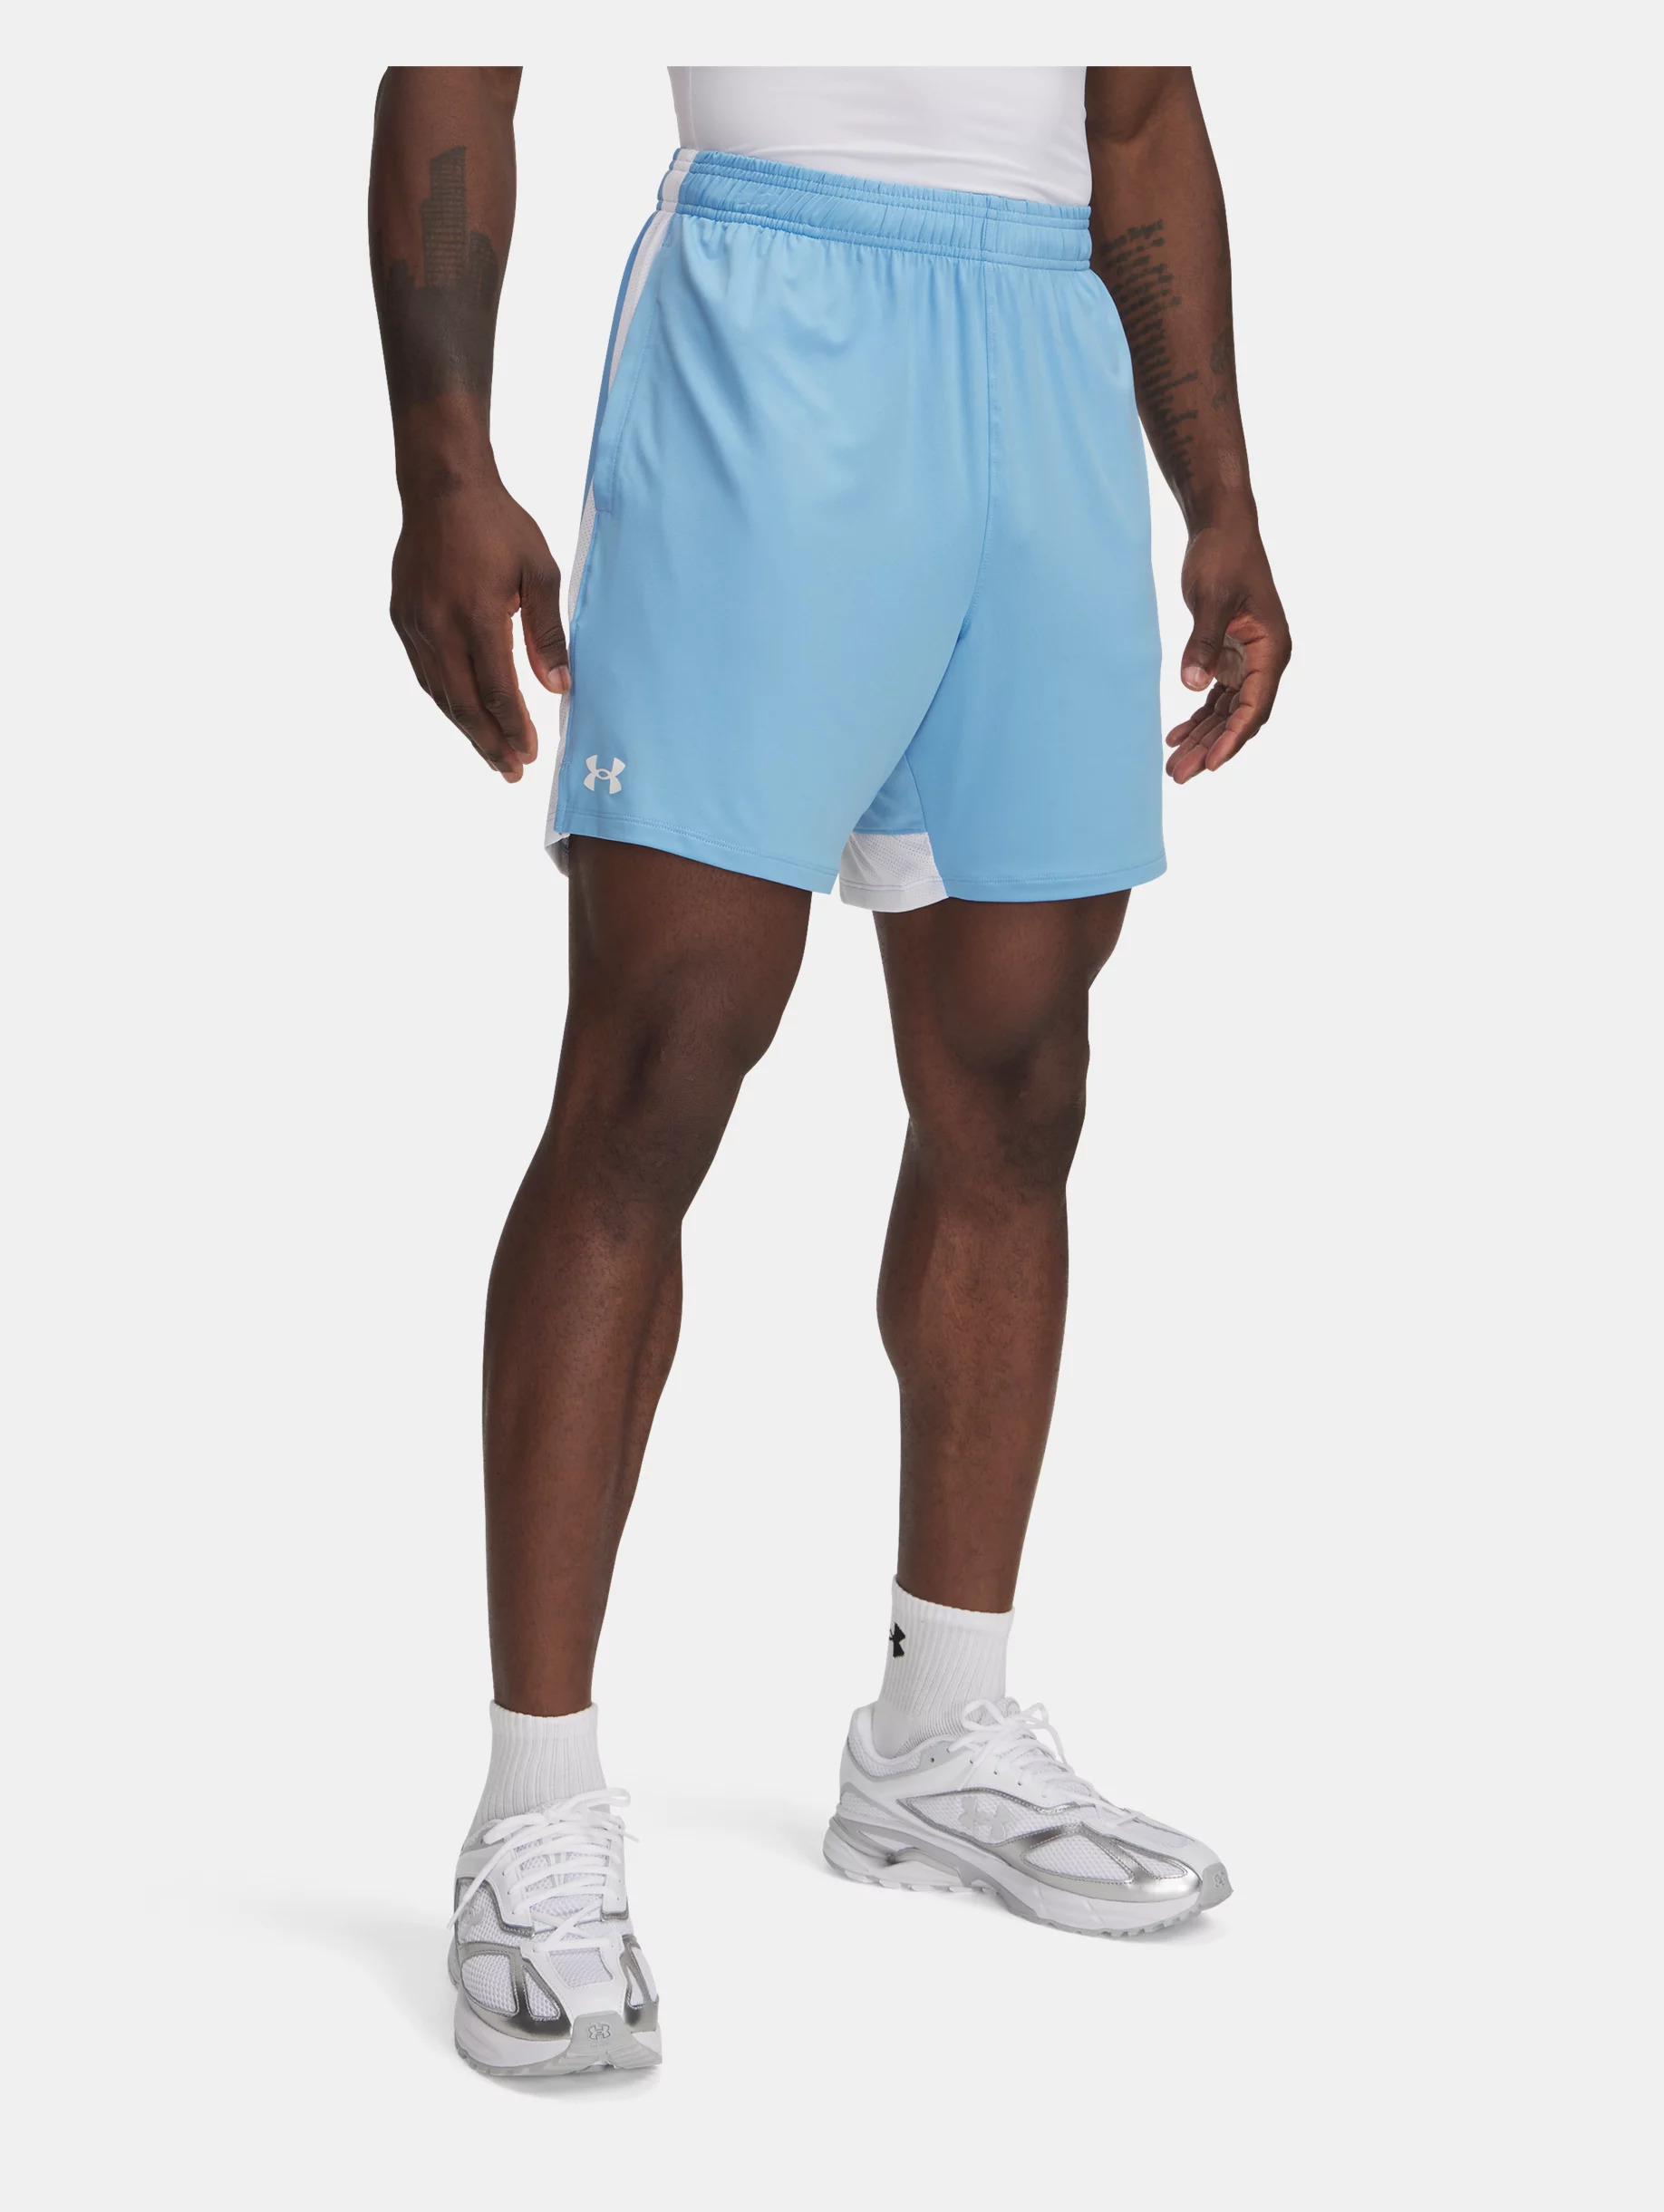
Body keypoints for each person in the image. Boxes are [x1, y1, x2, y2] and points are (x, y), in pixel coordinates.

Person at [370, 63, 1291, 2079]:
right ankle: (535, 1809)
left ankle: (937, 1730)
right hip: (770, 318)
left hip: (1047, 348)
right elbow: (450, 59)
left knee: (1017, 1083)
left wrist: (1221, 497)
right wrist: (445, 461)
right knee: (655, 1071)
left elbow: (1139, 111)